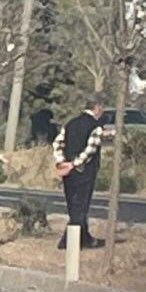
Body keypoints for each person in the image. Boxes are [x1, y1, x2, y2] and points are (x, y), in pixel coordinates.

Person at [53, 94, 110, 250]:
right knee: (81, 206)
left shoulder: (70, 123)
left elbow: (57, 142)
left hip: (67, 171)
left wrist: (60, 161)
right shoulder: (95, 126)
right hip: (84, 171)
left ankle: (85, 239)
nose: (102, 111)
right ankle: (67, 242)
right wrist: (74, 163)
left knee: (73, 204)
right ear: (97, 107)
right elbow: (90, 150)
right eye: (102, 108)